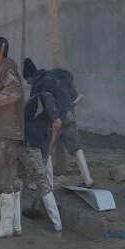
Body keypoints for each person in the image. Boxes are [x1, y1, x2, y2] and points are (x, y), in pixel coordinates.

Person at [22, 58, 94, 187]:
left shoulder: (38, 85)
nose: (28, 84)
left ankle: (48, 183)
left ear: (30, 76)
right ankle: (88, 178)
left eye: (27, 81)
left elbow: (46, 102)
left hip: (54, 118)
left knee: (45, 149)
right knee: (75, 146)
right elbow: (71, 92)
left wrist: (54, 118)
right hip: (68, 113)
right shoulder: (53, 76)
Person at [0, 37, 25, 238]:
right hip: (11, 130)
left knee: (4, 175)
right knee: (12, 176)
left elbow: (16, 90)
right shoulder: (5, 68)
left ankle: (6, 226)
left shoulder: (5, 68)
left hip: (6, 131)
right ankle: (16, 224)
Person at [21, 91, 63, 231]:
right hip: (29, 143)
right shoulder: (47, 95)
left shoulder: (37, 105)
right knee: (41, 180)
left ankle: (14, 224)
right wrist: (55, 118)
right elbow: (47, 98)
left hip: (32, 141)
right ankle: (58, 225)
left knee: (21, 180)